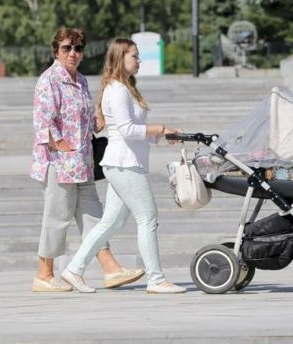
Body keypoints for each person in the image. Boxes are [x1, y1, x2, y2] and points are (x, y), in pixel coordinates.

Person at [60, 38, 187, 294]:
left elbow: (131, 130)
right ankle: (156, 279)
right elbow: (127, 130)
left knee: (111, 223)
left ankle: (74, 269)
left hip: (125, 162)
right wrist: (161, 128)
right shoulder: (117, 90)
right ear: (120, 58)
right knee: (147, 218)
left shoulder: (125, 87)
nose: (139, 61)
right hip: (123, 164)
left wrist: (161, 136)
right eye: (134, 56)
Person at [30, 28, 144, 292]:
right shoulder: (49, 80)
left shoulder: (80, 80)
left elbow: (88, 118)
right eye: (67, 48)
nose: (73, 53)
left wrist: (99, 120)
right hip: (58, 163)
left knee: (94, 216)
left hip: (84, 163)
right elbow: (44, 124)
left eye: (78, 48)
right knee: (57, 219)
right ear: (56, 51)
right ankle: (44, 275)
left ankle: (111, 269)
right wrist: (65, 150)